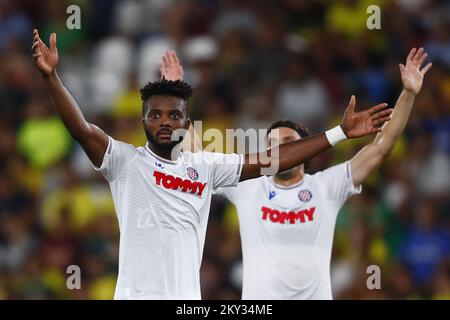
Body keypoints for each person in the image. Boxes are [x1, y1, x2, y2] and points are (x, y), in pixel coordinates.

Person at [31, 29, 392, 300]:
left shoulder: (206, 166)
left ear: (188, 125)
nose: (164, 121)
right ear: (143, 122)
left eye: (174, 115)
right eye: (155, 115)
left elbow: (273, 160)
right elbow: (81, 128)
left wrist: (339, 133)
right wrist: (51, 77)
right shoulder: (124, 162)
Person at [214, 48, 432, 299]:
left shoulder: (327, 186)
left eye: (288, 143)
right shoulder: (246, 186)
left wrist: (408, 93)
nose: (280, 149)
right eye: (273, 144)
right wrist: (173, 90)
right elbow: (195, 155)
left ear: (304, 151)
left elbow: (382, 146)